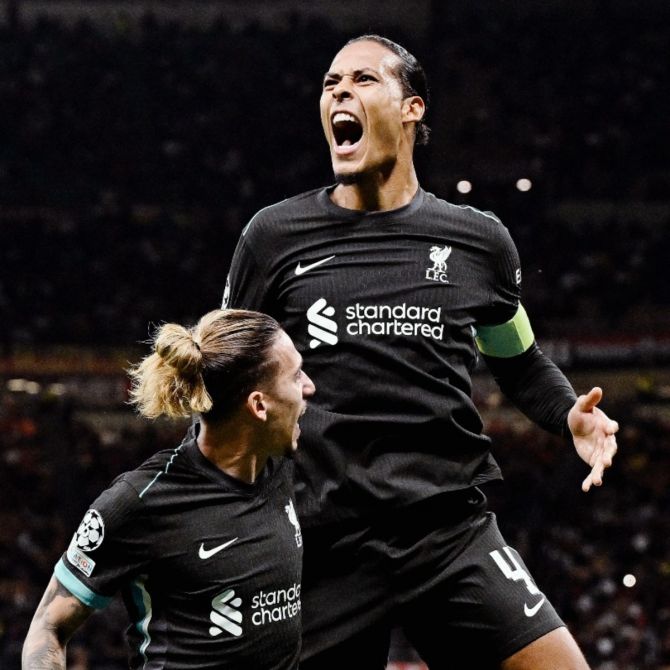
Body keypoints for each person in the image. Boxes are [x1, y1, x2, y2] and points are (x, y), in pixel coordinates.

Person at [221, 34, 619, 669]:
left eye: (362, 80)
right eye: (330, 83)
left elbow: (516, 359)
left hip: (447, 533)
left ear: (412, 108)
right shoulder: (273, 238)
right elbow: (224, 378)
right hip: (323, 544)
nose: (339, 92)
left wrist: (567, 413)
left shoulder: (480, 242)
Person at [22, 309, 315, 670]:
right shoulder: (141, 501)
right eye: (296, 375)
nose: (309, 387)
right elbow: (47, 626)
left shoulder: (282, 465)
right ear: (259, 405)